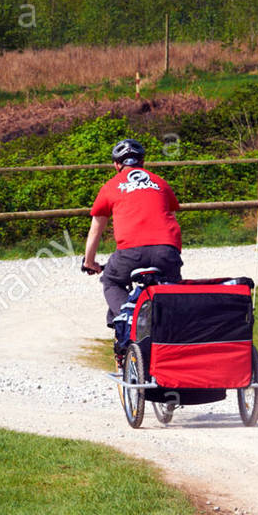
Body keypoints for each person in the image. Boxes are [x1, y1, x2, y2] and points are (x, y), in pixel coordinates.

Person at [83, 139, 183, 358]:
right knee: (171, 290)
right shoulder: (161, 183)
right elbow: (173, 219)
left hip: (130, 253)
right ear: (143, 162)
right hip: (167, 251)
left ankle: (128, 317)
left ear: (116, 165)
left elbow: (95, 230)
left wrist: (89, 263)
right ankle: (173, 342)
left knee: (111, 280)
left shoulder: (111, 186)